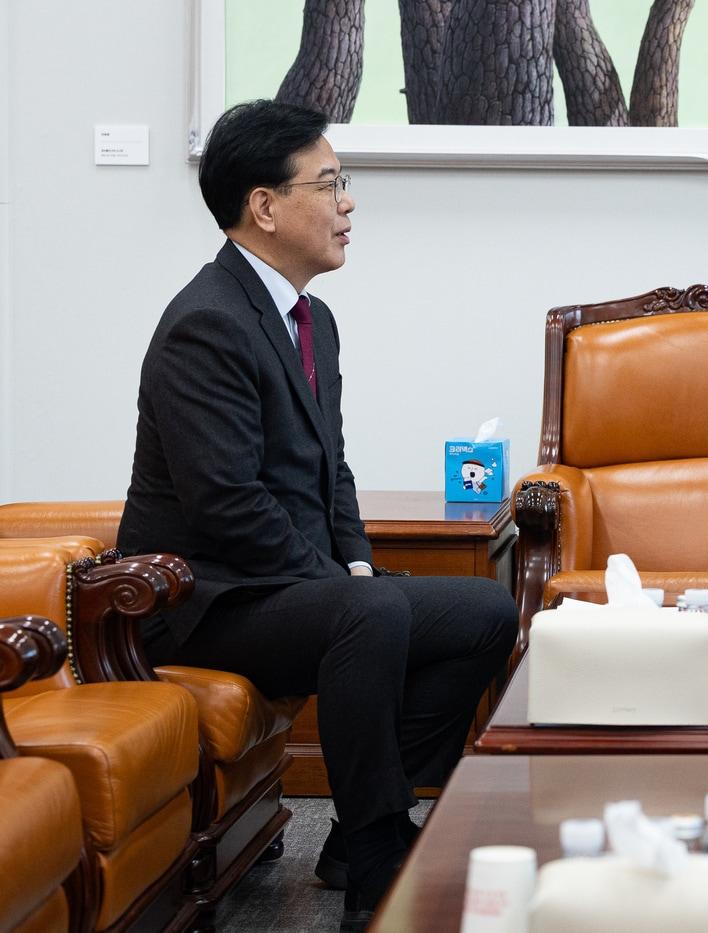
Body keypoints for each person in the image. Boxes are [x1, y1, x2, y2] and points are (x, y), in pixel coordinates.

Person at [117, 100, 519, 932]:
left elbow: (330, 467)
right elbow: (226, 506)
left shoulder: (312, 319)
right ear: (264, 206)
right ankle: (378, 861)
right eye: (331, 183)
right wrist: (342, 585)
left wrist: (358, 561)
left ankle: (352, 830)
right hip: (205, 601)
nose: (349, 203)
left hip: (287, 588)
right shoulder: (206, 323)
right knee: (366, 611)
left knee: (483, 607)